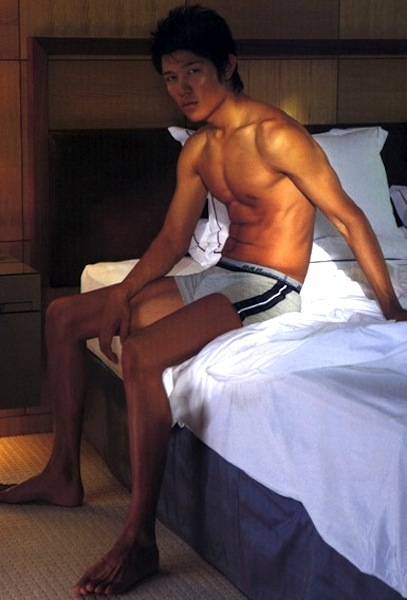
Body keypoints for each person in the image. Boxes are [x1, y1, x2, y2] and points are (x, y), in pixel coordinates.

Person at [1, 4, 407, 597]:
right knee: (64, 316)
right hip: (220, 273)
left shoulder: (277, 136)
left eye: (193, 71)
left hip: (268, 285)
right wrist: (125, 292)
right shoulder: (197, 150)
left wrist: (391, 307)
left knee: (142, 355)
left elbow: (349, 218)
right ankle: (63, 473)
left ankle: (140, 538)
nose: (182, 88)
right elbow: (172, 240)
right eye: (170, 77)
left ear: (228, 66)